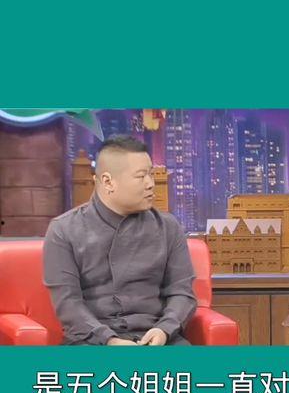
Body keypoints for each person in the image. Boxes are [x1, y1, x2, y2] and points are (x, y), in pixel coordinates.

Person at [44, 136, 197, 345]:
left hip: (158, 339)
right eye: (141, 176)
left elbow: (182, 293)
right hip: (91, 342)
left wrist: (164, 329)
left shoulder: (168, 227)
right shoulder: (63, 230)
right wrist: (110, 340)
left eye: (151, 174)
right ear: (108, 182)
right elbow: (68, 304)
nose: (150, 184)